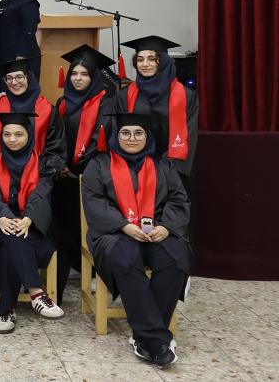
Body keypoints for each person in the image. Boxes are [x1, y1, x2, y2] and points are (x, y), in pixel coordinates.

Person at [81, 112, 190, 368]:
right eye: (125, 133)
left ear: (148, 136)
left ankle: (144, 338)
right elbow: (94, 202)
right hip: (114, 232)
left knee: (175, 259)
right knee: (126, 258)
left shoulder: (163, 166)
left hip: (157, 231)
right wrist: (124, 225)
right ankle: (157, 340)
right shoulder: (98, 165)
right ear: (116, 136)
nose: (132, 138)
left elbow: (179, 199)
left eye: (138, 133)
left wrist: (166, 227)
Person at [0, 112, 64, 334]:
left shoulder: (43, 163)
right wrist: (2, 216)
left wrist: (27, 219)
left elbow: (42, 194)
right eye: (7, 134)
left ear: (29, 136)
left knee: (12, 242)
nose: (12, 139)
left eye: (18, 134)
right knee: (12, 235)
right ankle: (36, 293)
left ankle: (6, 311)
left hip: (34, 227)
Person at [51, 45, 117, 304]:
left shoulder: (105, 102)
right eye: (74, 74)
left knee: (88, 222)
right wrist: (60, 164)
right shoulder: (63, 102)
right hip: (63, 176)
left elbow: (100, 139)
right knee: (64, 222)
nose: (78, 78)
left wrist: (77, 167)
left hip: (90, 175)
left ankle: (94, 270)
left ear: (94, 77)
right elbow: (56, 136)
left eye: (84, 74)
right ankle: (67, 269)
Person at [114, 36, 198, 189]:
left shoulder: (187, 96)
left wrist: (165, 169)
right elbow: (118, 132)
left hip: (174, 173)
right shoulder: (124, 96)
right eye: (140, 59)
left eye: (152, 59)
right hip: (135, 171)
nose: (145, 64)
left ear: (164, 61)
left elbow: (189, 135)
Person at [0, 58, 66, 177]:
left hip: (38, 176)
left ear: (29, 77)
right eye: (9, 78)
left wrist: (40, 172)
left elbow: (56, 148)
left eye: (19, 77)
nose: (14, 82)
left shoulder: (48, 110)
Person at [0, 0, 41, 77]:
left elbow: (29, 29)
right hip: (5, 56)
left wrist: (22, 54)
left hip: (22, 57)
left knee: (23, 85)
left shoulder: (27, 0)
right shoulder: (2, 3)